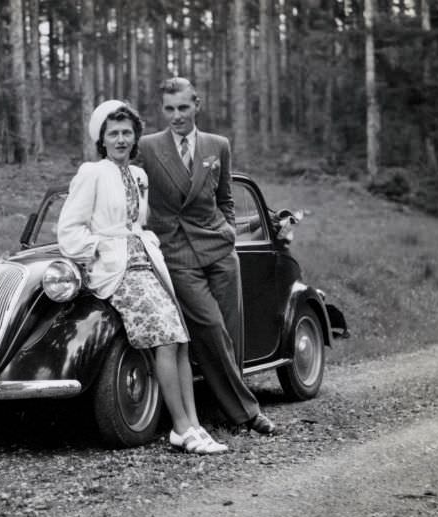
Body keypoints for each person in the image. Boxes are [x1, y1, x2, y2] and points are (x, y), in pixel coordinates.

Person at [58, 99, 227, 454]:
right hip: (116, 270)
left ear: (136, 138)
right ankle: (180, 426)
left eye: (127, 133)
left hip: (147, 263)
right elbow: (69, 231)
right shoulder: (92, 173)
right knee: (164, 339)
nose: (121, 140)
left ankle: (192, 426)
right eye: (113, 134)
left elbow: (139, 223)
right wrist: (101, 249)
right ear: (101, 140)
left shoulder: (139, 176)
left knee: (180, 338)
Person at [137, 77, 276, 435]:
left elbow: (226, 198)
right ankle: (247, 413)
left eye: (183, 107)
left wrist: (229, 231)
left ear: (198, 105)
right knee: (211, 328)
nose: (176, 116)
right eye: (169, 109)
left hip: (219, 249)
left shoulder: (218, 145)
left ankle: (220, 410)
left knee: (231, 332)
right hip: (177, 251)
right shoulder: (148, 147)